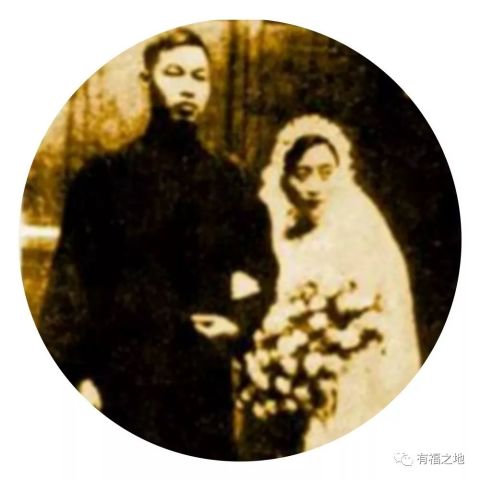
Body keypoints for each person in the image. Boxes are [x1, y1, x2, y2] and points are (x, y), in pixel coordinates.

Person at [39, 28, 277, 460]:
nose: (188, 88)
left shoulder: (230, 181)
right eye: (174, 73)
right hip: (121, 381)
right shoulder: (103, 178)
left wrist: (239, 322)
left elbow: (262, 270)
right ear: (147, 80)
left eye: (199, 77)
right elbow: (69, 287)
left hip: (201, 383)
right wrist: (78, 377)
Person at [238, 114, 420, 458]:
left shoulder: (360, 229)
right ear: (285, 177)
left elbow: (382, 308)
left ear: (340, 173)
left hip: (352, 374)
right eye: (302, 173)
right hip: (288, 379)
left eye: (325, 173)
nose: (314, 186)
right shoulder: (279, 234)